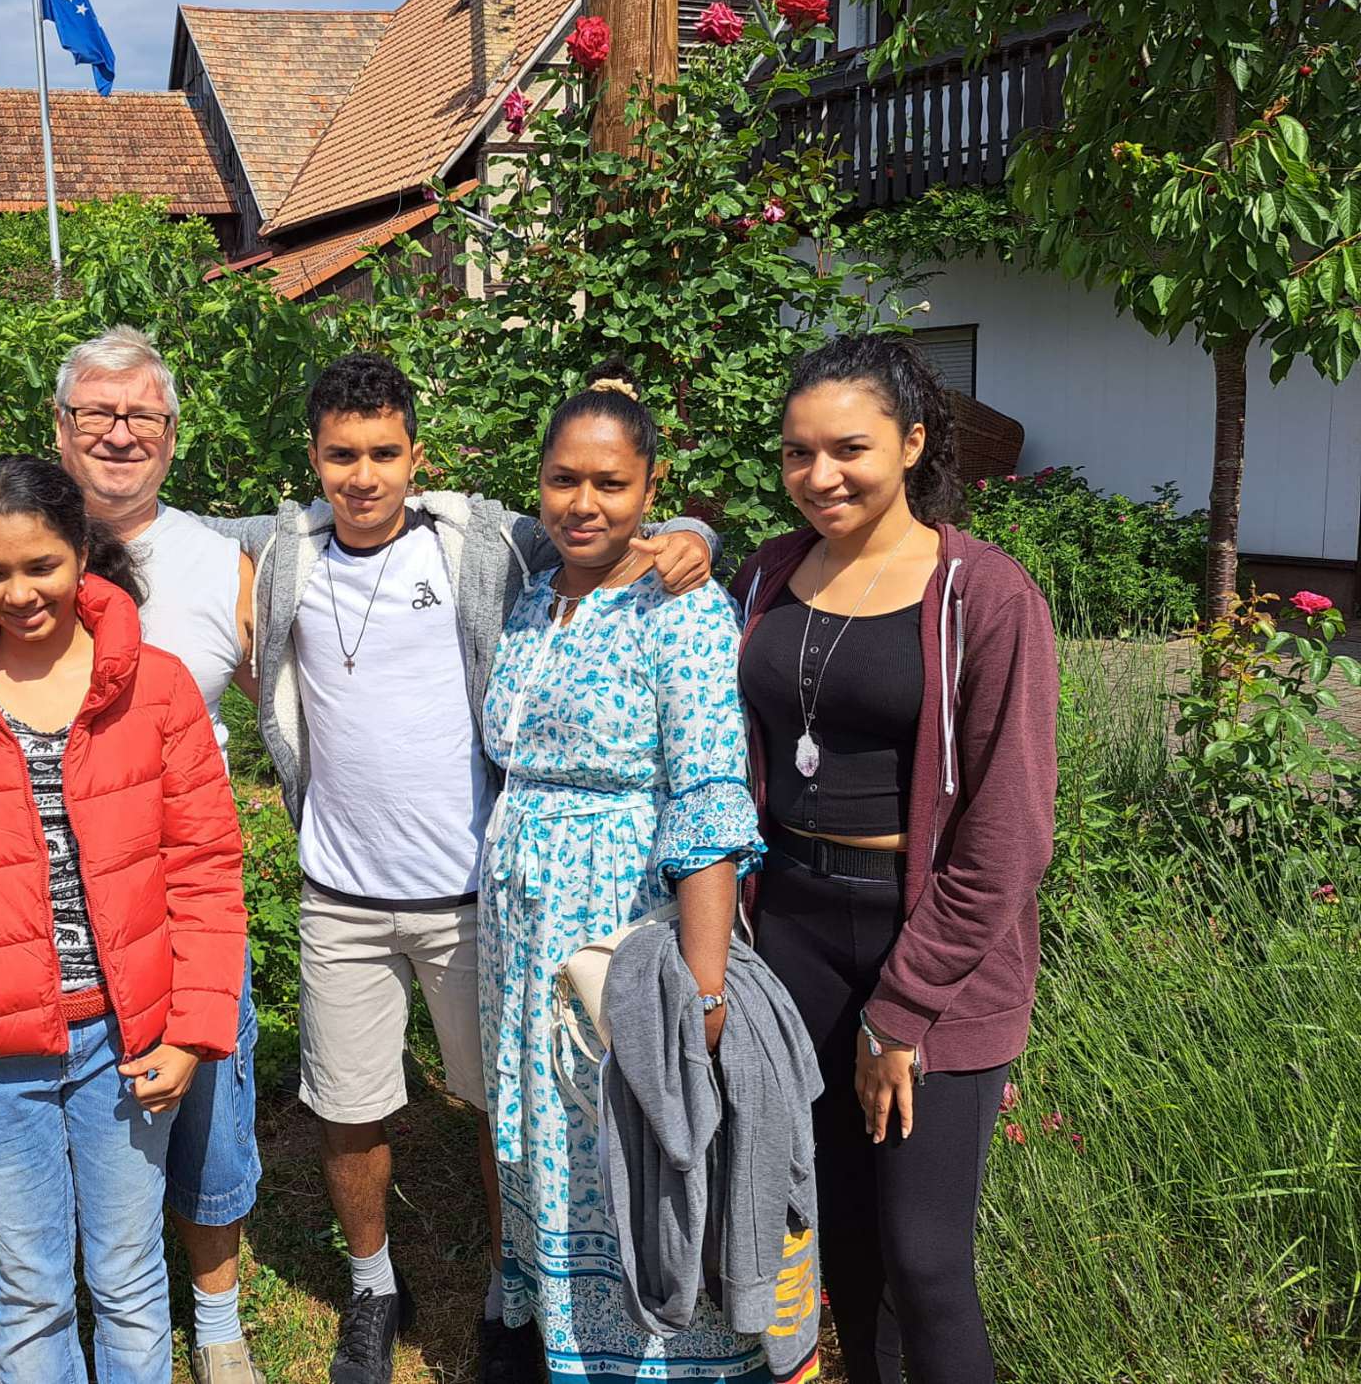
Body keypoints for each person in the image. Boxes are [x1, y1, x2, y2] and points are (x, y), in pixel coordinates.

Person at [232, 353, 716, 1384]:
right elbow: (155, 528)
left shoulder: (487, 546)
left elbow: (615, 531)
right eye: (340, 455)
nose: (362, 476)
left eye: (383, 452)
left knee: (512, 1106)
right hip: (338, 896)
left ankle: (514, 1282)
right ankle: (372, 1288)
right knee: (346, 1107)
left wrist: (696, 536)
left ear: (418, 456)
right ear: (312, 460)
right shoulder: (281, 554)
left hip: (474, 899)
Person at [0, 328, 267, 1384]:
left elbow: (205, 868)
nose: (19, 590)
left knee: (127, 1273)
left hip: (123, 1028)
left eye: (40, 566)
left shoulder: (155, 685)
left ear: (80, 557)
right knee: (32, 1285)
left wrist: (192, 1026)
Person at [732, 334, 1057, 1384]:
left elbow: (1007, 838)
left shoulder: (984, 597)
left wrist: (901, 1011)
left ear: (912, 444)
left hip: (927, 952)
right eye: (797, 453)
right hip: (793, 937)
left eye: (849, 449)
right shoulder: (766, 575)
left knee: (925, 1263)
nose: (818, 475)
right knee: (845, 1246)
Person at [478, 378, 773, 1384]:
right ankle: (561, 1340)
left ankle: (658, 1357)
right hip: (520, 929)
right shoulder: (533, 598)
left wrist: (702, 988)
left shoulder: (680, 610)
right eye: (564, 479)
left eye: (610, 482)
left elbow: (708, 798)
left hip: (617, 923)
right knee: (543, 1131)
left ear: (652, 487)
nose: (583, 503)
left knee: (622, 1133)